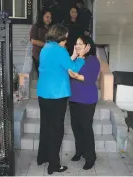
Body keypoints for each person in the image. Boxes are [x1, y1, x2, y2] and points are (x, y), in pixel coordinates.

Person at [37, 24, 90, 175]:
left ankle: (43, 157)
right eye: (65, 37)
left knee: (46, 126)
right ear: (60, 36)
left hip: (43, 94)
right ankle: (54, 165)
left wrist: (72, 56)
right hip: (56, 95)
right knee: (56, 130)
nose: (67, 40)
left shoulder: (46, 48)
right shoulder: (60, 51)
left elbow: (62, 65)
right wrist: (80, 57)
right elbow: (72, 69)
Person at [68, 35, 100, 170]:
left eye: (80, 44)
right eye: (76, 44)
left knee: (86, 128)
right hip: (73, 98)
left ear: (88, 46)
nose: (77, 46)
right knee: (76, 127)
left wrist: (74, 74)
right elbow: (66, 70)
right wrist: (74, 57)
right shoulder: (76, 59)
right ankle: (79, 151)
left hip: (87, 99)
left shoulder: (93, 60)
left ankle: (90, 157)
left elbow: (86, 78)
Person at [30, 9, 52, 77]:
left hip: (49, 56)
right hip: (38, 55)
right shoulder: (36, 27)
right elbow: (33, 40)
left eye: (50, 18)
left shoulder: (51, 28)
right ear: (42, 17)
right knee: (42, 76)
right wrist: (46, 45)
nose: (49, 19)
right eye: (47, 17)